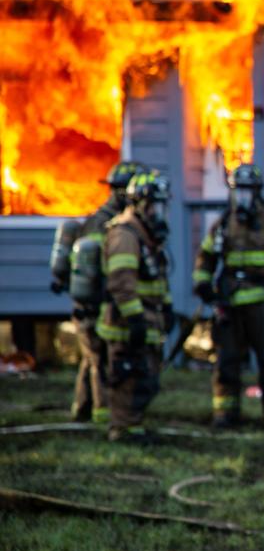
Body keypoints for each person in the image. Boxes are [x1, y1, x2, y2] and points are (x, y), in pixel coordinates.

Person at [192, 163, 264, 431]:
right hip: (229, 304)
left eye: (248, 192)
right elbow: (205, 256)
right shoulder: (223, 224)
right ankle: (225, 415)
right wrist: (202, 284)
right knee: (227, 362)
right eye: (238, 191)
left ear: (257, 193)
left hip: (261, 303)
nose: (242, 197)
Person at [51, 160, 144, 424]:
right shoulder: (110, 227)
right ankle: (103, 418)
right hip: (94, 307)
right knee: (100, 362)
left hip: (88, 305)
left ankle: (81, 411)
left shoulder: (101, 220)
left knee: (90, 360)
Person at [96, 170, 173, 443]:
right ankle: (122, 430)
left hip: (147, 320)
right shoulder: (125, 234)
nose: (160, 212)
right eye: (155, 205)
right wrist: (135, 318)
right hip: (126, 324)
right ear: (139, 203)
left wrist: (167, 307)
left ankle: (134, 427)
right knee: (127, 376)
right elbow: (121, 283)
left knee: (144, 378)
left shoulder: (146, 234)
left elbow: (156, 279)